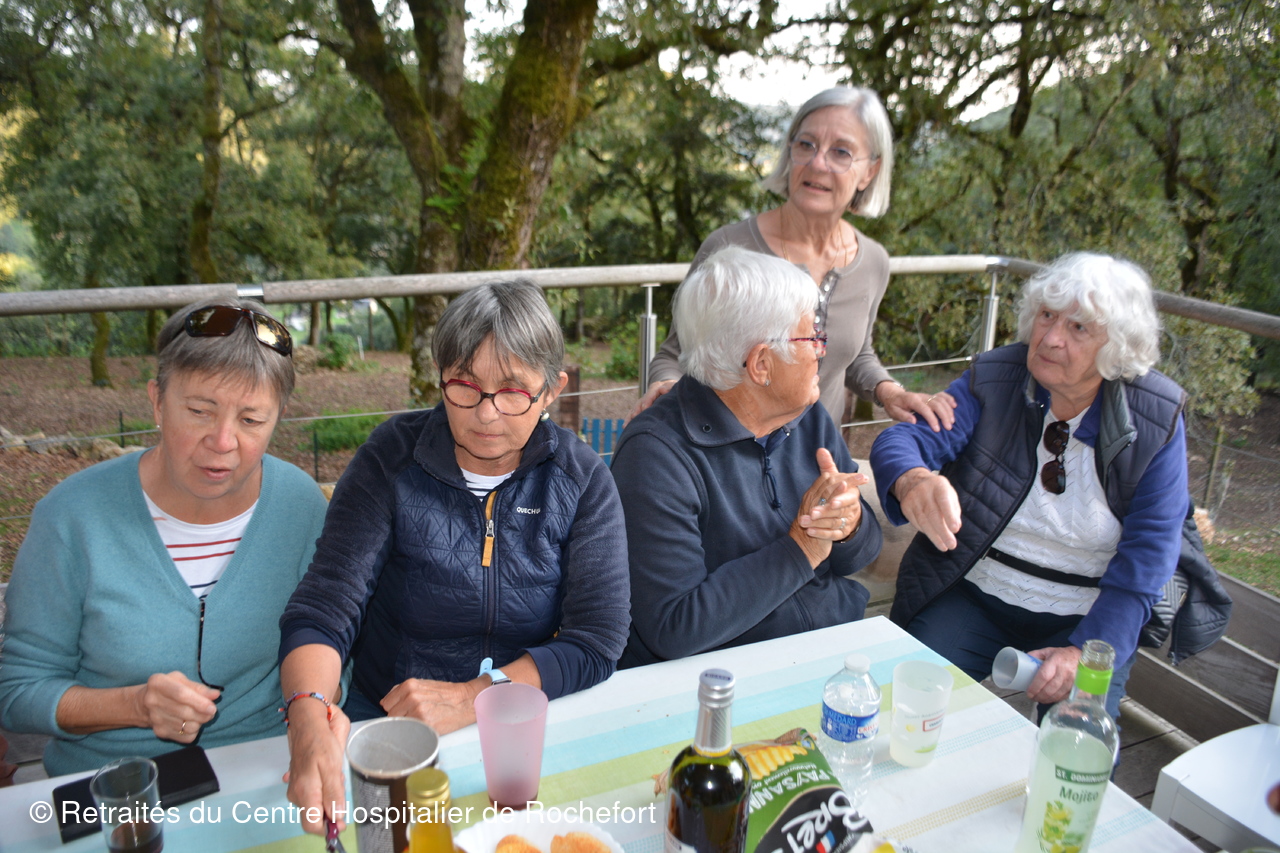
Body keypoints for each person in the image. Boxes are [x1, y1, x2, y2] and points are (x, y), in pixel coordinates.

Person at [279, 279, 630, 834]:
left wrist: (475, 697)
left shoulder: (580, 479)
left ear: (552, 390)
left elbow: (597, 639)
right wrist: (306, 715)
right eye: (465, 385)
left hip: (522, 725)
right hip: (391, 726)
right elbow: (325, 607)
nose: (486, 414)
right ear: (439, 376)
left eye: (513, 391)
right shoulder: (390, 459)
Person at [0, 299, 327, 776]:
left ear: (279, 417)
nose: (223, 441)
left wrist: (315, 711)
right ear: (156, 401)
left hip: (268, 771)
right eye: (199, 411)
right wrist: (134, 706)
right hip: (112, 783)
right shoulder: (71, 517)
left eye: (252, 420)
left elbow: (335, 649)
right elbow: (17, 691)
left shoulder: (301, 505)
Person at [870, 252, 1189, 720]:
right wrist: (913, 479)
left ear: (1115, 345)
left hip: (1087, 617)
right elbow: (905, 438)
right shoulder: (996, 379)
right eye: (1046, 316)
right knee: (902, 711)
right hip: (974, 593)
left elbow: (1150, 557)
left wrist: (1083, 651)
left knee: (1076, 747)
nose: (1051, 338)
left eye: (1078, 327)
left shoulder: (1156, 419)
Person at [614, 246, 883, 668]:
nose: (821, 349)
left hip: (835, 648)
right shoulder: (655, 457)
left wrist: (850, 525)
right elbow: (673, 626)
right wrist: (802, 550)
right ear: (761, 364)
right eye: (811, 336)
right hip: (729, 676)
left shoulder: (807, 417)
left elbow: (862, 555)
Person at [637, 86, 955, 431]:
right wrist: (667, 390)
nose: (817, 163)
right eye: (806, 145)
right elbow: (675, 355)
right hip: (726, 454)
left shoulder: (874, 262)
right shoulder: (730, 247)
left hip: (820, 454)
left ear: (870, 171)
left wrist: (890, 392)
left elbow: (856, 354)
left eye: (841, 152)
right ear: (790, 152)